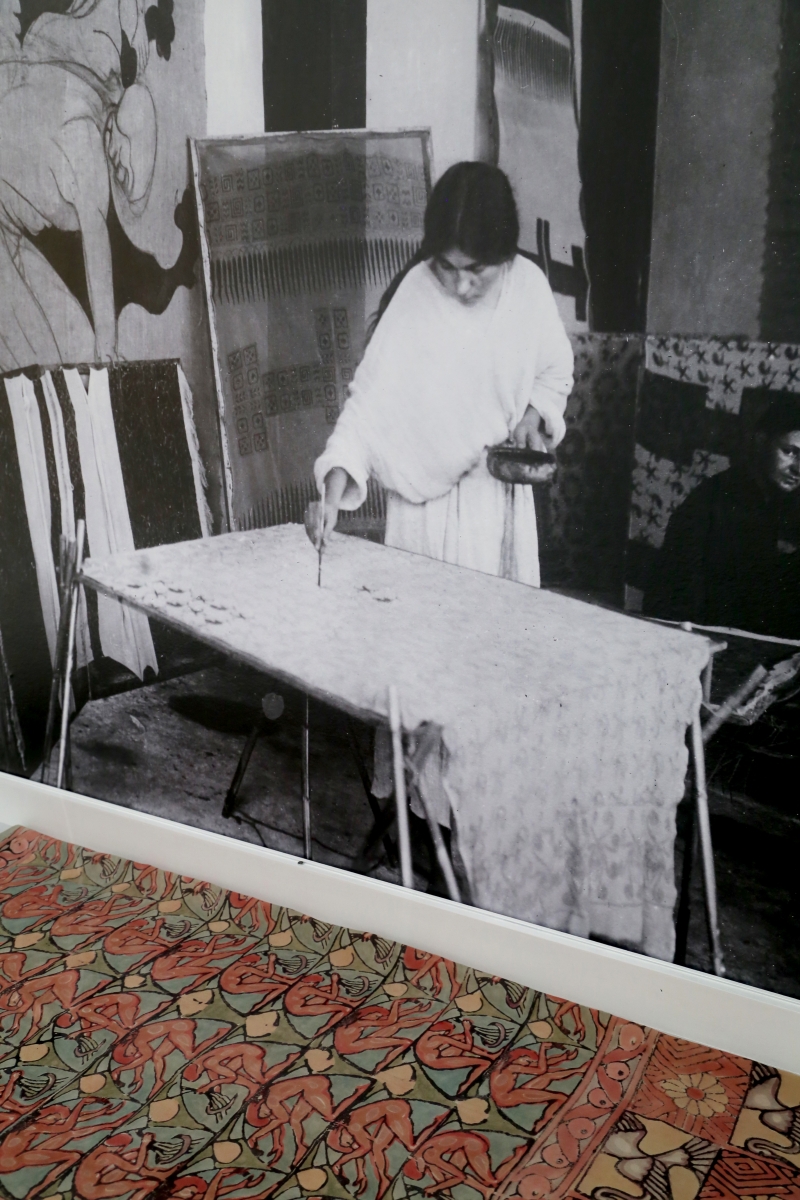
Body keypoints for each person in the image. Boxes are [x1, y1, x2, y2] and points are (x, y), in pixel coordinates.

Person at [304, 161, 574, 588]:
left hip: (496, 507)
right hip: (422, 519)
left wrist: (529, 417)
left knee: (496, 645)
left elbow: (554, 370)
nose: (461, 285)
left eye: (476, 270)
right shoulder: (417, 292)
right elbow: (367, 410)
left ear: (504, 255)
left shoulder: (528, 289)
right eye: (448, 267)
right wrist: (331, 497)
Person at [0, 61, 156, 366]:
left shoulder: (82, 105)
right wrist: (107, 349)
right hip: (5, 229)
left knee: (67, 343)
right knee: (55, 352)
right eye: (124, 173)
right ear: (116, 137)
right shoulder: (90, 154)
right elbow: (97, 249)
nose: (119, 179)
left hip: (10, 232)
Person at [644, 392, 800, 639]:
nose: (798, 469)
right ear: (761, 441)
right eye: (789, 452)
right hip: (712, 641)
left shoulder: (793, 505)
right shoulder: (709, 503)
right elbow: (672, 598)